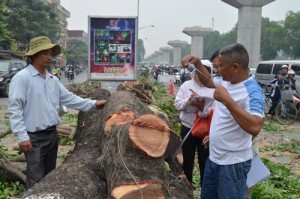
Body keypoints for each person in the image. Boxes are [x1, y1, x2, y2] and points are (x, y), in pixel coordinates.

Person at [8, 36, 107, 189]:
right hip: (34, 138)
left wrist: (93, 104)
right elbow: (15, 109)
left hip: (52, 136)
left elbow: (69, 99)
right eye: (45, 53)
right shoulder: (22, 78)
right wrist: (22, 136)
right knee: (35, 180)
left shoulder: (52, 80)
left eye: (51, 53)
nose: (50, 57)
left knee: (50, 177)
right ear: (34, 55)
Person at [181, 43, 264, 199]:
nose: (217, 71)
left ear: (235, 67)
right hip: (214, 158)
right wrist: (197, 63)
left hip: (233, 164)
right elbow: (207, 82)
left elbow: (255, 126)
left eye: (221, 67)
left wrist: (228, 101)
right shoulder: (225, 81)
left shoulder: (252, 91)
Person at [174, 63, 215, 188]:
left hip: (205, 131)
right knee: (187, 158)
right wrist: (188, 101)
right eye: (199, 73)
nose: (201, 76)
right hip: (187, 127)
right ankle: (187, 185)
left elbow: (214, 110)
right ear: (195, 73)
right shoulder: (186, 86)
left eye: (205, 73)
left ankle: (205, 187)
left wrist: (201, 106)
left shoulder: (212, 89)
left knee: (204, 160)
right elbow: (177, 103)